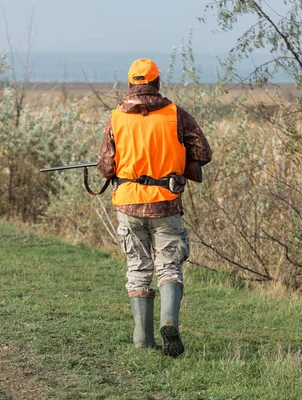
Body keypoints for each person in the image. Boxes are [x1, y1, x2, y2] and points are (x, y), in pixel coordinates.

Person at [97, 58, 212, 357]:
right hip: (166, 203)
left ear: (131, 85)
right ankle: (169, 321)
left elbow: (106, 167)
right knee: (169, 266)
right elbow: (203, 153)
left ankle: (142, 341)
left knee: (137, 268)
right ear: (157, 82)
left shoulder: (116, 118)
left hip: (128, 203)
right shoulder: (177, 114)